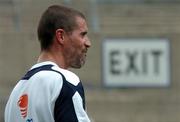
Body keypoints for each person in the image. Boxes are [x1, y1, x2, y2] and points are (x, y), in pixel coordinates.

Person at [5, 5, 91, 122]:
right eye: (83, 34)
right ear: (61, 36)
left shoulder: (15, 94)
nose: (88, 43)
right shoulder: (64, 81)